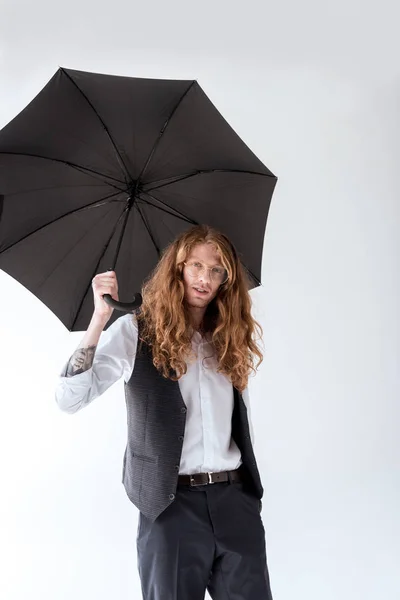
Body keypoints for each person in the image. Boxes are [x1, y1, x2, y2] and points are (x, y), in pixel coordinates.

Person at [55, 224, 274, 600]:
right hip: (170, 507)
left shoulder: (229, 337)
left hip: (234, 500)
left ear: (227, 280)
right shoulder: (135, 333)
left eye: (217, 271)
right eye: (196, 266)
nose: (205, 278)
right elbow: (68, 399)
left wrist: (246, 500)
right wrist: (98, 321)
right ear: (177, 268)